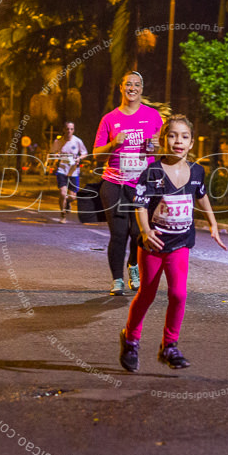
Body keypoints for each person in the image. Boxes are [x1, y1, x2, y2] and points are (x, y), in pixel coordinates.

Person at [119, 115, 227, 372]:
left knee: (178, 294)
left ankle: (170, 346)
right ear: (162, 140)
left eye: (184, 136)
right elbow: (141, 205)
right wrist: (145, 232)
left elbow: (201, 197)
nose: (178, 141)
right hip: (154, 245)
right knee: (147, 293)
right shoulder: (153, 172)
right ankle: (131, 339)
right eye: (172, 135)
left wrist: (212, 223)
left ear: (191, 143)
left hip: (180, 243)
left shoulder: (197, 172)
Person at [93, 71, 164, 296]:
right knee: (119, 233)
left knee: (139, 232)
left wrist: (156, 146)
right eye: (127, 84)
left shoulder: (153, 116)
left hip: (143, 184)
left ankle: (133, 265)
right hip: (114, 183)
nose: (132, 88)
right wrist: (113, 143)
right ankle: (117, 280)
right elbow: (96, 154)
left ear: (141, 89)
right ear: (120, 88)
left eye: (136, 85)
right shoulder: (109, 118)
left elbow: (163, 149)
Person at [50, 121, 88, 223]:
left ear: (73, 130)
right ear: (64, 130)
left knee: (72, 196)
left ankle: (68, 202)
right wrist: (56, 155)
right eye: (67, 129)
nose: (69, 131)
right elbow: (52, 153)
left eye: (71, 129)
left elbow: (85, 153)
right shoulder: (58, 142)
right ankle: (63, 215)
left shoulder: (77, 141)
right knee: (62, 194)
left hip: (74, 172)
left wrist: (79, 158)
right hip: (62, 170)